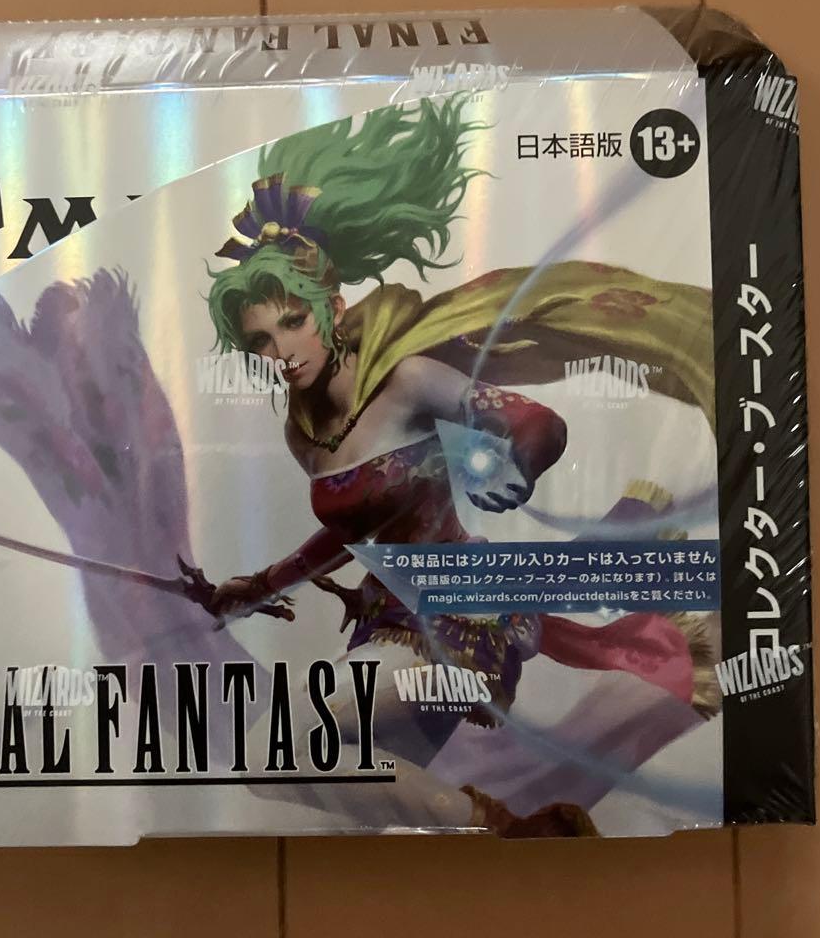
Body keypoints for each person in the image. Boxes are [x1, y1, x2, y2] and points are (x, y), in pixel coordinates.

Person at [204, 97, 719, 835]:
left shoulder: (406, 381)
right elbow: (351, 531)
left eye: (293, 322)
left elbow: (536, 423)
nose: (282, 350)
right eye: (260, 339)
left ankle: (514, 832)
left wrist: (518, 466)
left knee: (273, 753)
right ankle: (527, 834)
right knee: (376, 807)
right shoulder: (302, 430)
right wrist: (258, 586)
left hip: (456, 624)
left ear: (332, 308)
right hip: (385, 629)